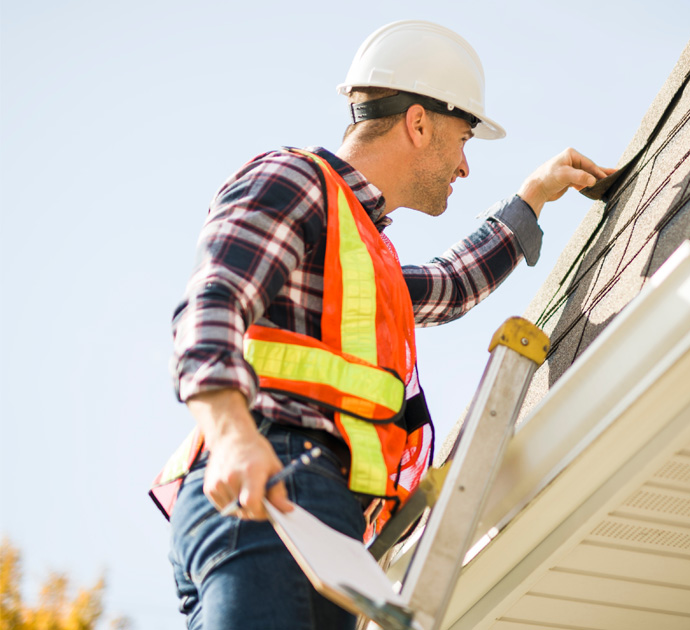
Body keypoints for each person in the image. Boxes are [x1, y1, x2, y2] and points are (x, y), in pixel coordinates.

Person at [150, 20, 612, 629]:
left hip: (314, 513)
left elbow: (449, 286)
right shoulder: (294, 179)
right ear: (418, 124)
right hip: (276, 481)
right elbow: (212, 302)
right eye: (463, 139)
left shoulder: (362, 251)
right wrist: (233, 434)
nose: (465, 166)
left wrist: (533, 198)